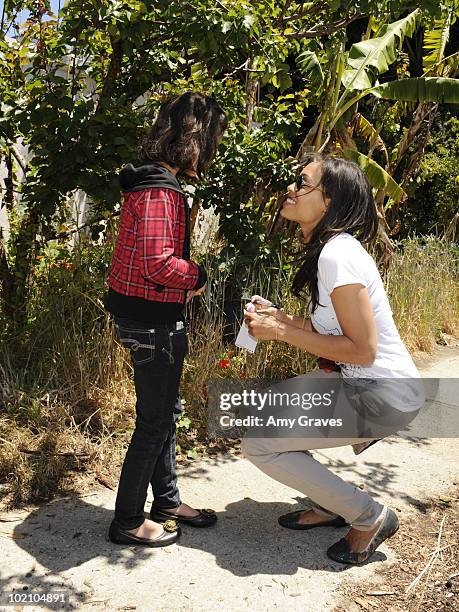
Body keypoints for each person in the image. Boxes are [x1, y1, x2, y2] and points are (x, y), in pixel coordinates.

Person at [242, 154, 424, 564]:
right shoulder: (333, 250)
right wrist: (282, 319)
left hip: (383, 393)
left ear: (330, 201)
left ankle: (368, 516)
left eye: (302, 184)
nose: (291, 189)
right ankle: (330, 504)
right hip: (363, 383)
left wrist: (282, 332)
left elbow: (363, 349)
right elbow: (335, 330)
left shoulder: (337, 255)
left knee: (258, 442)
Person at [105, 92, 227, 547]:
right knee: (154, 422)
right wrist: (197, 275)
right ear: (196, 137)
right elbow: (159, 264)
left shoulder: (152, 182)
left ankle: (168, 502)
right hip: (153, 321)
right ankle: (127, 522)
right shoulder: (160, 190)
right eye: (212, 135)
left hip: (144, 313)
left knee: (163, 414)